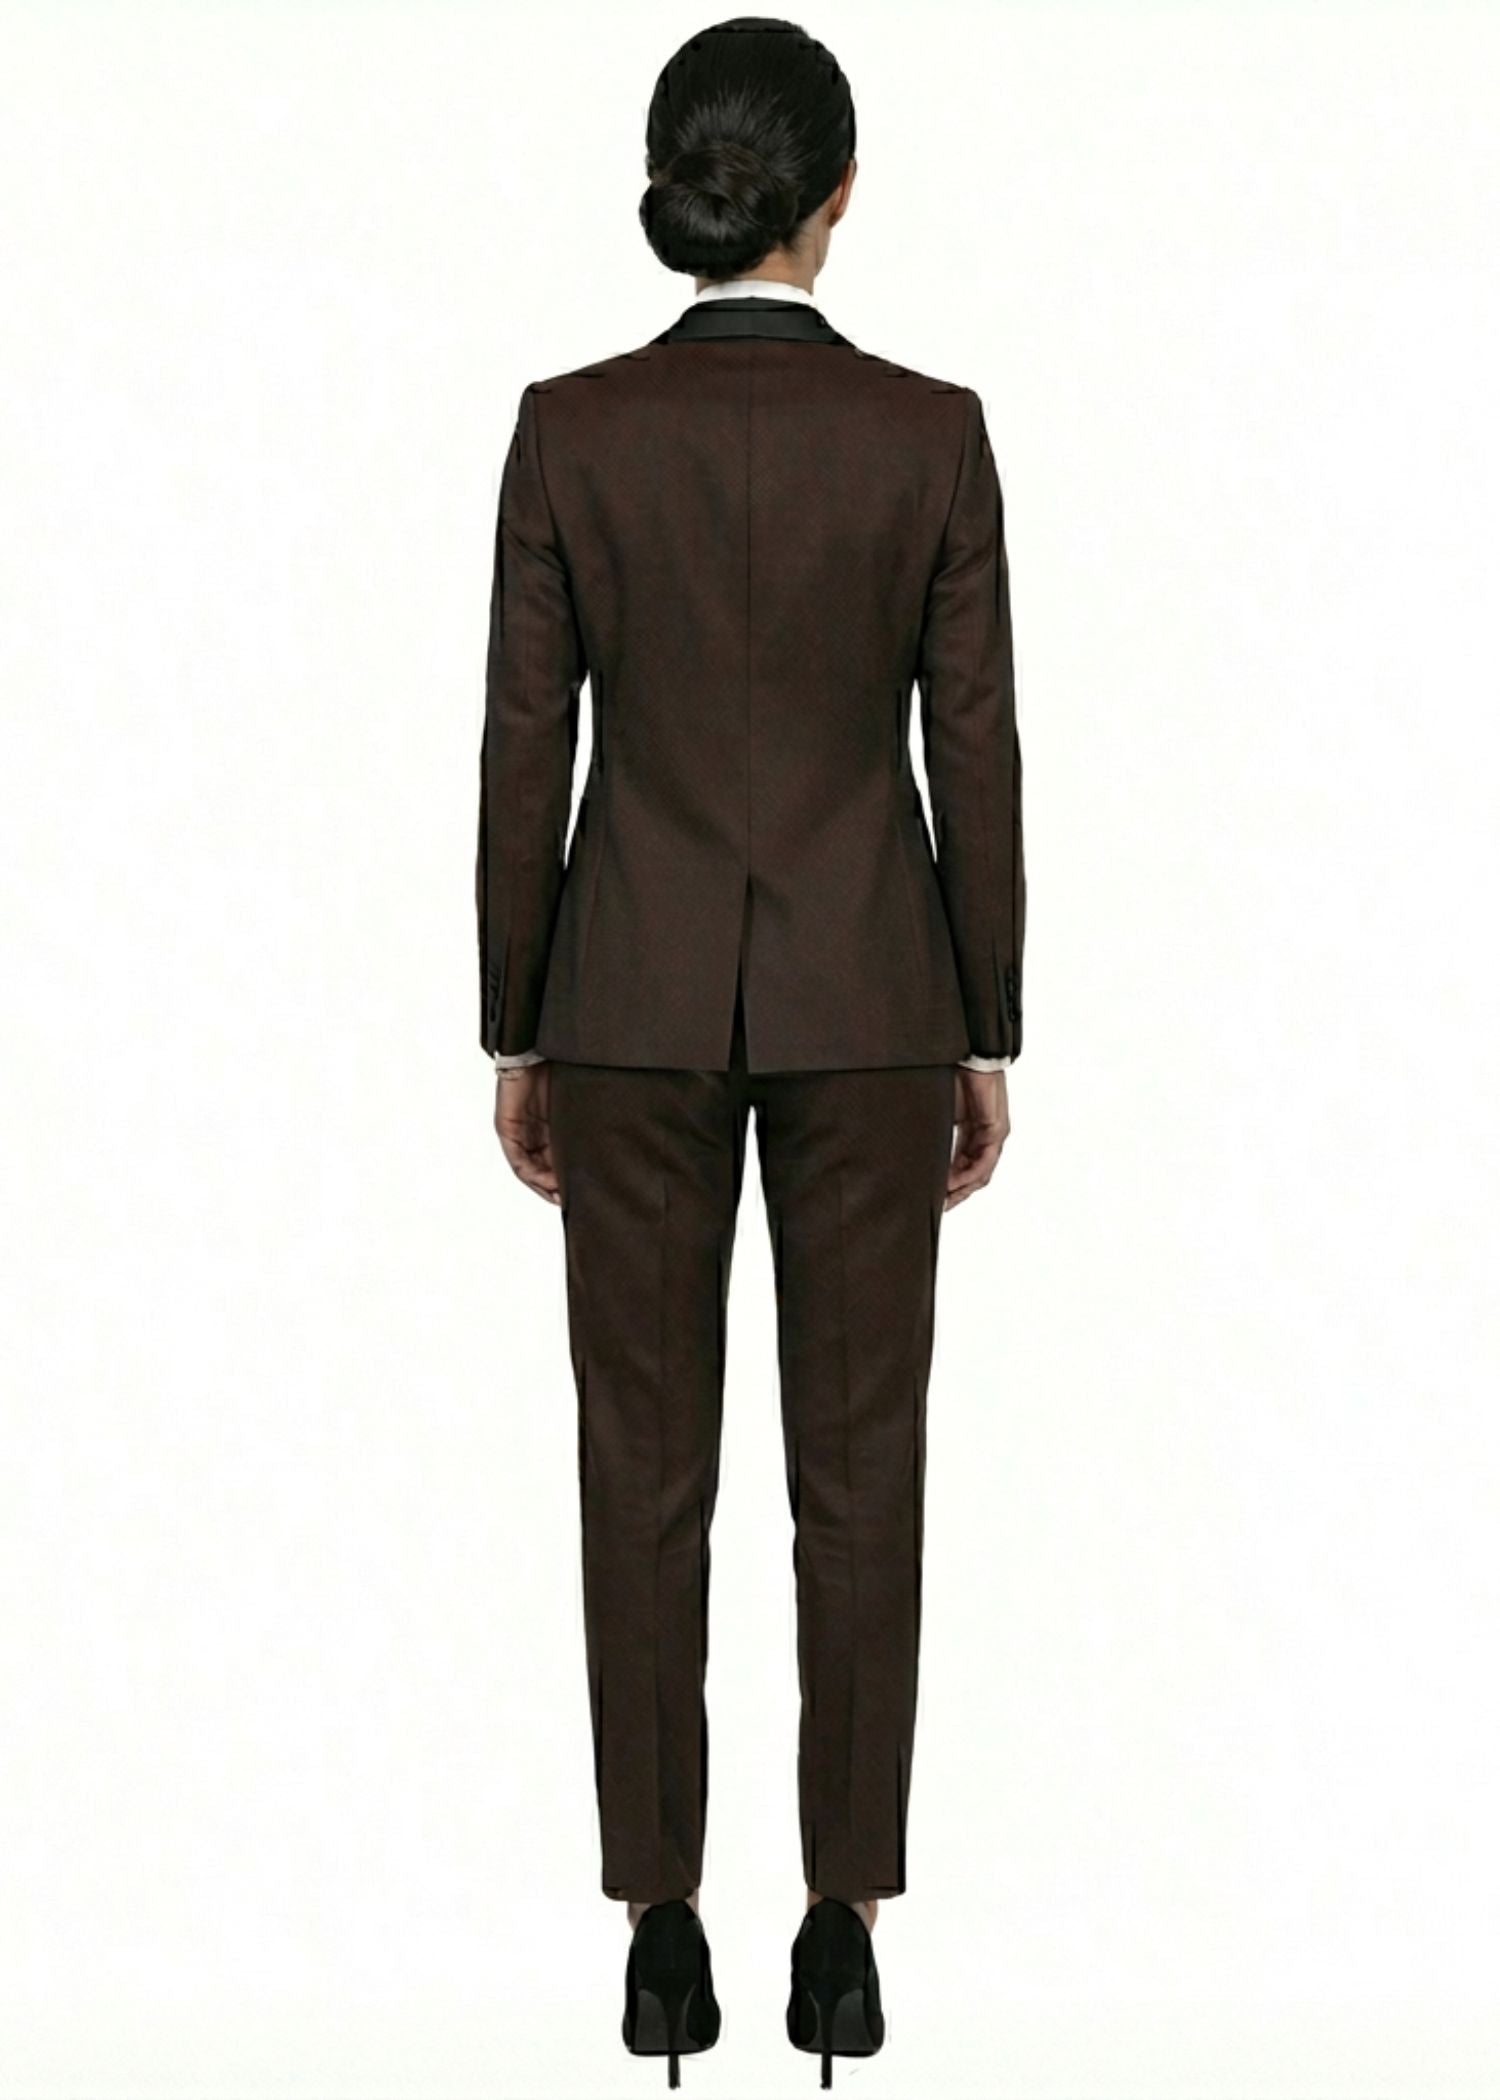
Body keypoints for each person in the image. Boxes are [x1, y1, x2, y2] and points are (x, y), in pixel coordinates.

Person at [476, 18, 1024, 2087]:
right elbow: (974, 750)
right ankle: (843, 1931)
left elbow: (525, 746)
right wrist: (984, 1021)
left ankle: (659, 1930)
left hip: (624, 1002)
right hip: (876, 1002)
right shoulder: (931, 438)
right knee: (861, 1470)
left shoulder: (570, 434)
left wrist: (518, 1016)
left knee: (642, 1471)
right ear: (838, 194)